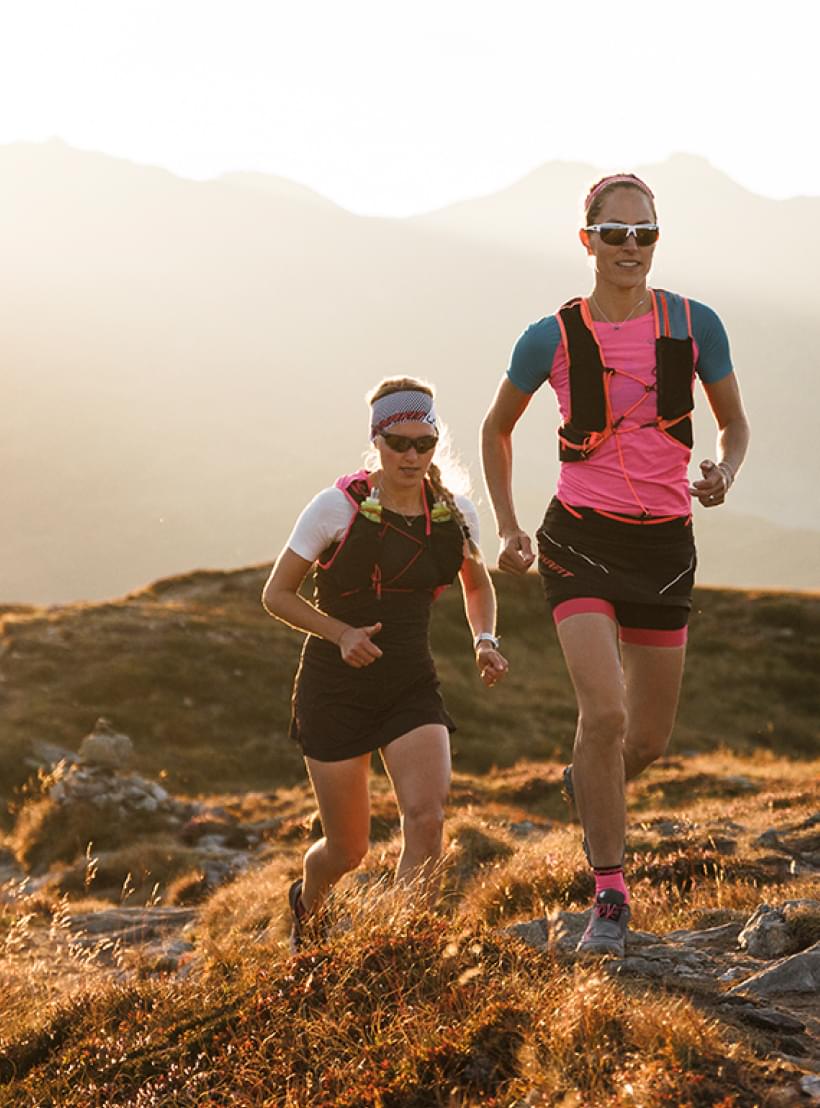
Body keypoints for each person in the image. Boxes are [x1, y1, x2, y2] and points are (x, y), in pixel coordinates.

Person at [481, 173, 750, 956]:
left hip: (664, 546)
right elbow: (497, 430)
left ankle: (589, 782)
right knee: (603, 715)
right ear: (586, 239)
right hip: (578, 541)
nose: (630, 247)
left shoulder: (696, 324)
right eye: (615, 233)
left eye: (645, 234)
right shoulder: (552, 337)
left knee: (647, 741)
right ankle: (609, 893)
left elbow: (733, 427)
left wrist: (722, 477)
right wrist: (507, 526)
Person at [263, 376, 508, 950]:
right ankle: (308, 905)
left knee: (427, 816)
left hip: (409, 683)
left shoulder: (454, 513)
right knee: (348, 849)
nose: (413, 456)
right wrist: (340, 632)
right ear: (377, 441)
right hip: (334, 686)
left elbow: (478, 586)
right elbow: (277, 594)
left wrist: (485, 640)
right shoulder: (335, 508)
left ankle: (402, 950)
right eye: (400, 444)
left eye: (424, 443)